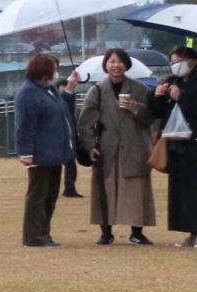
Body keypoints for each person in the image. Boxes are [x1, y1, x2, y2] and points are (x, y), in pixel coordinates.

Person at [77, 48, 155, 246]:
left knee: (136, 190)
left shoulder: (140, 89)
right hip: (106, 147)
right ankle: (106, 232)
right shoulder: (96, 91)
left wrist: (135, 107)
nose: (116, 65)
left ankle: (137, 232)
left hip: (135, 146)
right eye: (111, 61)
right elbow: (85, 122)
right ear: (106, 65)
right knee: (105, 189)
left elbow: (151, 117)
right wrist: (89, 146)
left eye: (120, 61)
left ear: (126, 65)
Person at [13, 54, 72, 248]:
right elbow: (25, 124)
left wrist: (68, 91)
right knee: (38, 195)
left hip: (55, 152)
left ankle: (44, 233)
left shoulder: (50, 90)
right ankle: (33, 236)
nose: (56, 71)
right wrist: (26, 152)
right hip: (40, 152)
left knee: (50, 195)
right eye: (54, 68)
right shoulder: (28, 92)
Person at [147, 44, 197, 248]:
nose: (175, 66)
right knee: (181, 191)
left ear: (192, 61)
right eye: (172, 62)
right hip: (176, 144)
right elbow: (156, 111)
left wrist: (181, 97)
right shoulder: (172, 82)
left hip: (194, 142)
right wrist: (157, 96)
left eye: (178, 61)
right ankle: (191, 231)